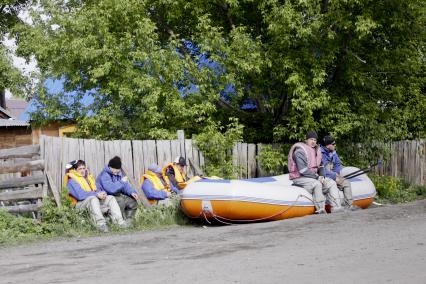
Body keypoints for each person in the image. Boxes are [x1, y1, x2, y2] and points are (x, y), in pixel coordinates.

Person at [64, 160, 128, 233]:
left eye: (83, 168)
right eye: (80, 169)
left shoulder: (88, 178)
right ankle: (101, 225)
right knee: (93, 198)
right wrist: (96, 195)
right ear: (75, 170)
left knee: (110, 198)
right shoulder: (72, 181)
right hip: (78, 205)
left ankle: (119, 222)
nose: (82, 170)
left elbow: (96, 190)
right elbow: (80, 195)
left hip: (92, 201)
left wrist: (101, 193)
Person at [288, 131, 343, 214]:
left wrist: (322, 176)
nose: (313, 141)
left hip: (312, 176)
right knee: (317, 184)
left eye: (315, 140)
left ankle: (337, 207)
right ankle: (320, 209)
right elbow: (303, 171)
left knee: (331, 183)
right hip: (300, 177)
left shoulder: (316, 150)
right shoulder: (299, 151)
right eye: (311, 139)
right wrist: (317, 177)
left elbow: (320, 166)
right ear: (306, 140)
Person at [320, 135, 359, 211]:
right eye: (333, 144)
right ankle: (335, 207)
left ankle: (349, 206)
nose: (335, 145)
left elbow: (338, 164)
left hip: (333, 175)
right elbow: (322, 170)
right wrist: (334, 176)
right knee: (333, 183)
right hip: (324, 178)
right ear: (328, 145)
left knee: (346, 183)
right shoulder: (320, 154)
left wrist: (336, 173)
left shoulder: (333, 152)